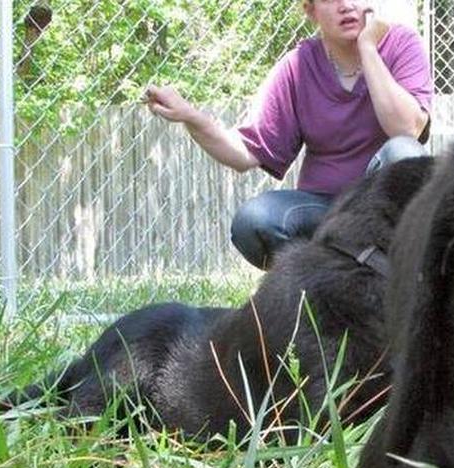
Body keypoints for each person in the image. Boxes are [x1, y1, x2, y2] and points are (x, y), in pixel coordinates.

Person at [144, 0, 433, 269]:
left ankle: (391, 283)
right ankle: (322, 283)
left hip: (381, 209)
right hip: (323, 210)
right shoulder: (298, 65)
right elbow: (244, 154)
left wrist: (368, 48)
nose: (346, 5)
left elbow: (407, 128)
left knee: (404, 153)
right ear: (311, 11)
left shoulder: (401, 45)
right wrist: (191, 117)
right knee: (254, 221)